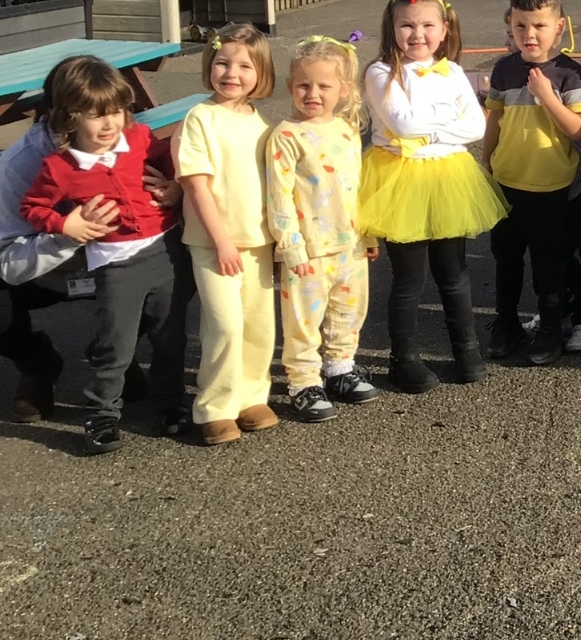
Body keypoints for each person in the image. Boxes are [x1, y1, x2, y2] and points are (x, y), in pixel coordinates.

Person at [19, 58, 190, 453]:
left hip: (166, 250)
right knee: (115, 344)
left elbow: (169, 159)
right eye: (96, 115)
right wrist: (65, 224)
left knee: (170, 336)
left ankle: (170, 403)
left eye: (116, 111)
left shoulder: (140, 137)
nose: (110, 123)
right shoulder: (59, 168)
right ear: (70, 117)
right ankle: (101, 413)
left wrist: (175, 186)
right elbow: (33, 207)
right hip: (115, 264)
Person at [359, 0, 508, 395]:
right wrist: (444, 122)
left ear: (444, 30)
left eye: (427, 25)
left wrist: (428, 129)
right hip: (398, 179)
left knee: (454, 273)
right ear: (392, 28)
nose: (417, 34)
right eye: (407, 25)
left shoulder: (453, 71)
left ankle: (466, 350)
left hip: (448, 177)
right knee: (409, 278)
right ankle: (403, 359)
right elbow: (402, 124)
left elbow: (476, 127)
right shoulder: (380, 72)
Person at [482, 0, 581, 366]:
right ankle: (506, 322)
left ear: (559, 27)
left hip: (551, 185)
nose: (529, 35)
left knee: (548, 261)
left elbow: (577, 129)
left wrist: (547, 95)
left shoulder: (569, 72)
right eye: (520, 26)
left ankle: (551, 326)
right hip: (507, 180)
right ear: (510, 25)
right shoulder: (504, 69)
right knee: (506, 257)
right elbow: (495, 119)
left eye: (539, 26)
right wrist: (487, 160)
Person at [265, 36, 379, 423]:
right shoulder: (286, 135)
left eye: (323, 86)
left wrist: (368, 233)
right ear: (290, 86)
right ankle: (303, 382)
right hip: (309, 248)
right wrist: (290, 246)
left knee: (349, 310)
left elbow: (357, 187)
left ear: (342, 90)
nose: (312, 94)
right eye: (304, 85)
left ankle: (340, 367)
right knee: (304, 319)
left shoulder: (347, 130)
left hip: (350, 244)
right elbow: (279, 196)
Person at [176, 23, 277, 446]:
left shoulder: (260, 122)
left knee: (259, 326)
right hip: (213, 242)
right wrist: (220, 241)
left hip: (258, 241)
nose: (231, 73)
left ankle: (251, 397)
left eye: (244, 66)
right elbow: (195, 184)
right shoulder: (201, 117)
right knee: (225, 325)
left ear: (261, 73)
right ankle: (214, 406)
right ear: (209, 65)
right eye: (222, 63)